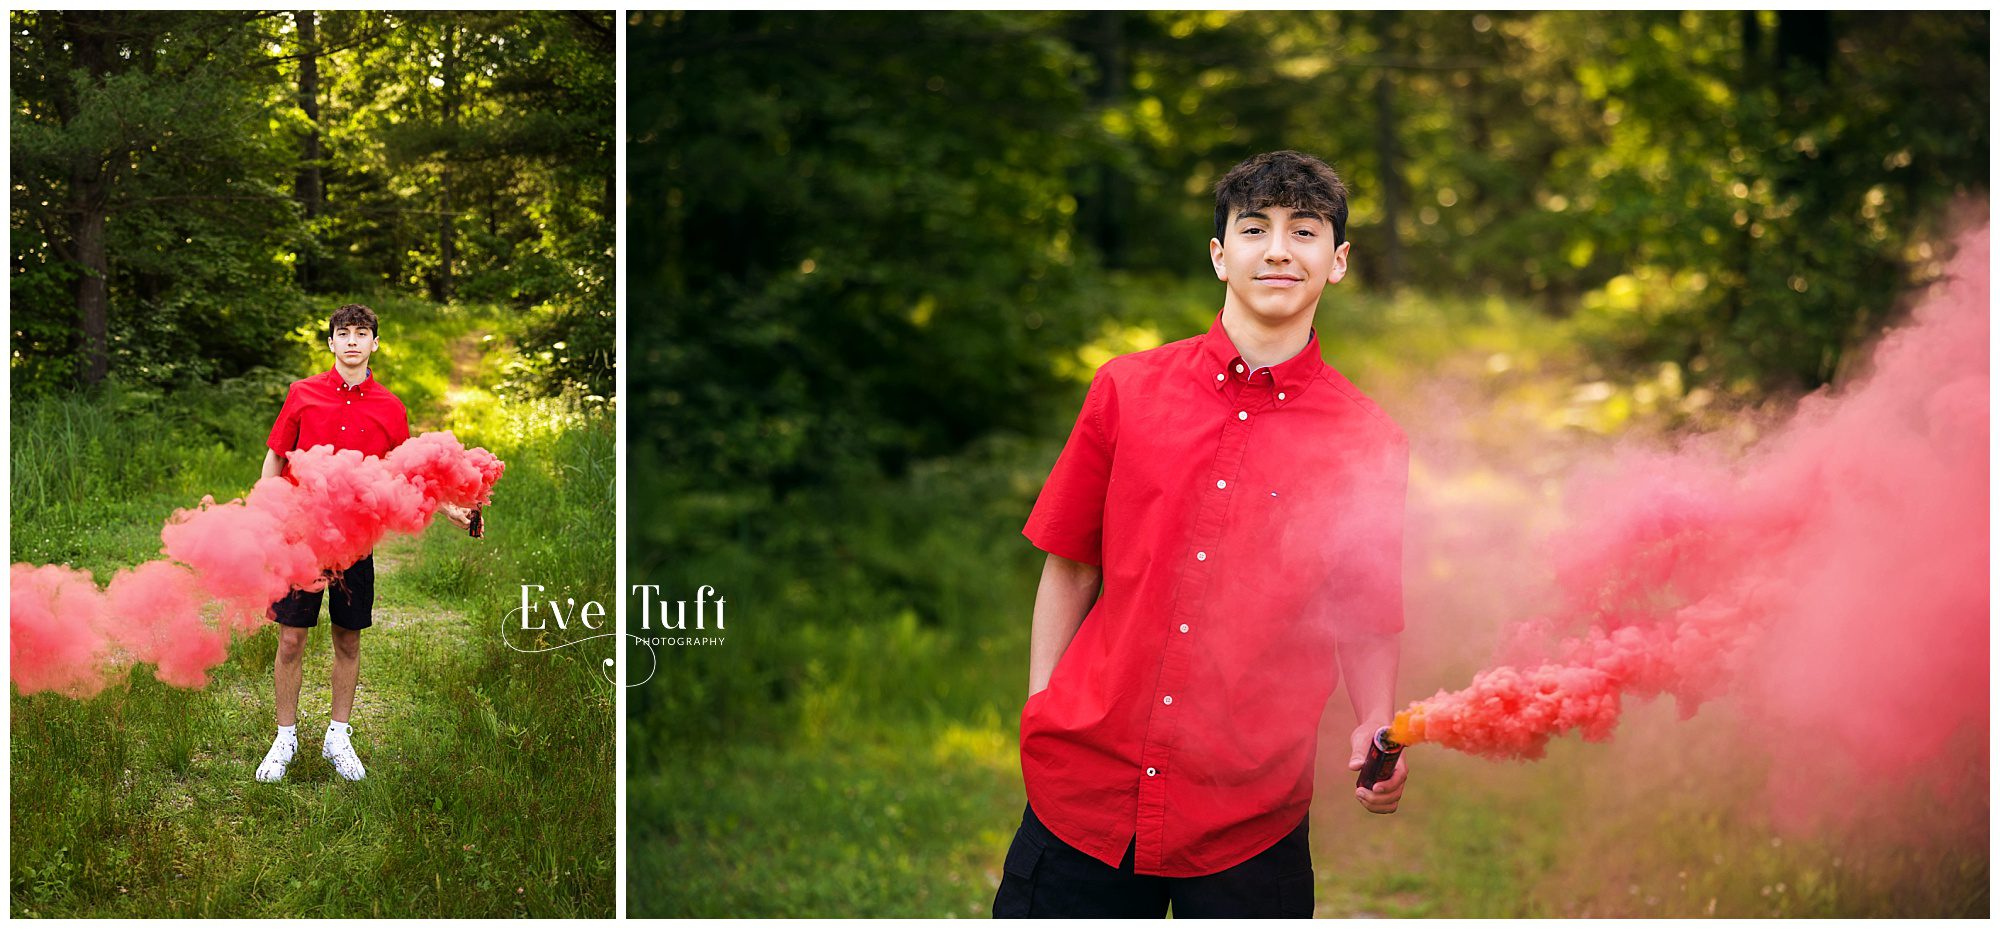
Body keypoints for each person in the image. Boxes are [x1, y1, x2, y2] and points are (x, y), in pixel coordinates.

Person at [993, 151, 1411, 917]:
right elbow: (1070, 568)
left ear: (1338, 261)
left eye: (1304, 231)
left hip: (1251, 813)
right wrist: (1040, 709)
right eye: (1255, 229)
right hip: (1084, 793)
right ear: (1220, 255)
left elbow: (1365, 610)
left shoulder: (1368, 438)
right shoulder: (1125, 389)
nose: (1279, 249)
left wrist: (1374, 724)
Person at [253, 303, 475, 783]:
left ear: (374, 343)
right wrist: (264, 514)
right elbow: (274, 461)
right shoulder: (302, 395)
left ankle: (338, 735)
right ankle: (284, 737)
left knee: (347, 638)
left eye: (362, 333)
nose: (352, 341)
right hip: (301, 536)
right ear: (331, 343)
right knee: (291, 639)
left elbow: (406, 476)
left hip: (355, 541)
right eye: (343, 333)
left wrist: (449, 506)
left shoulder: (390, 407)